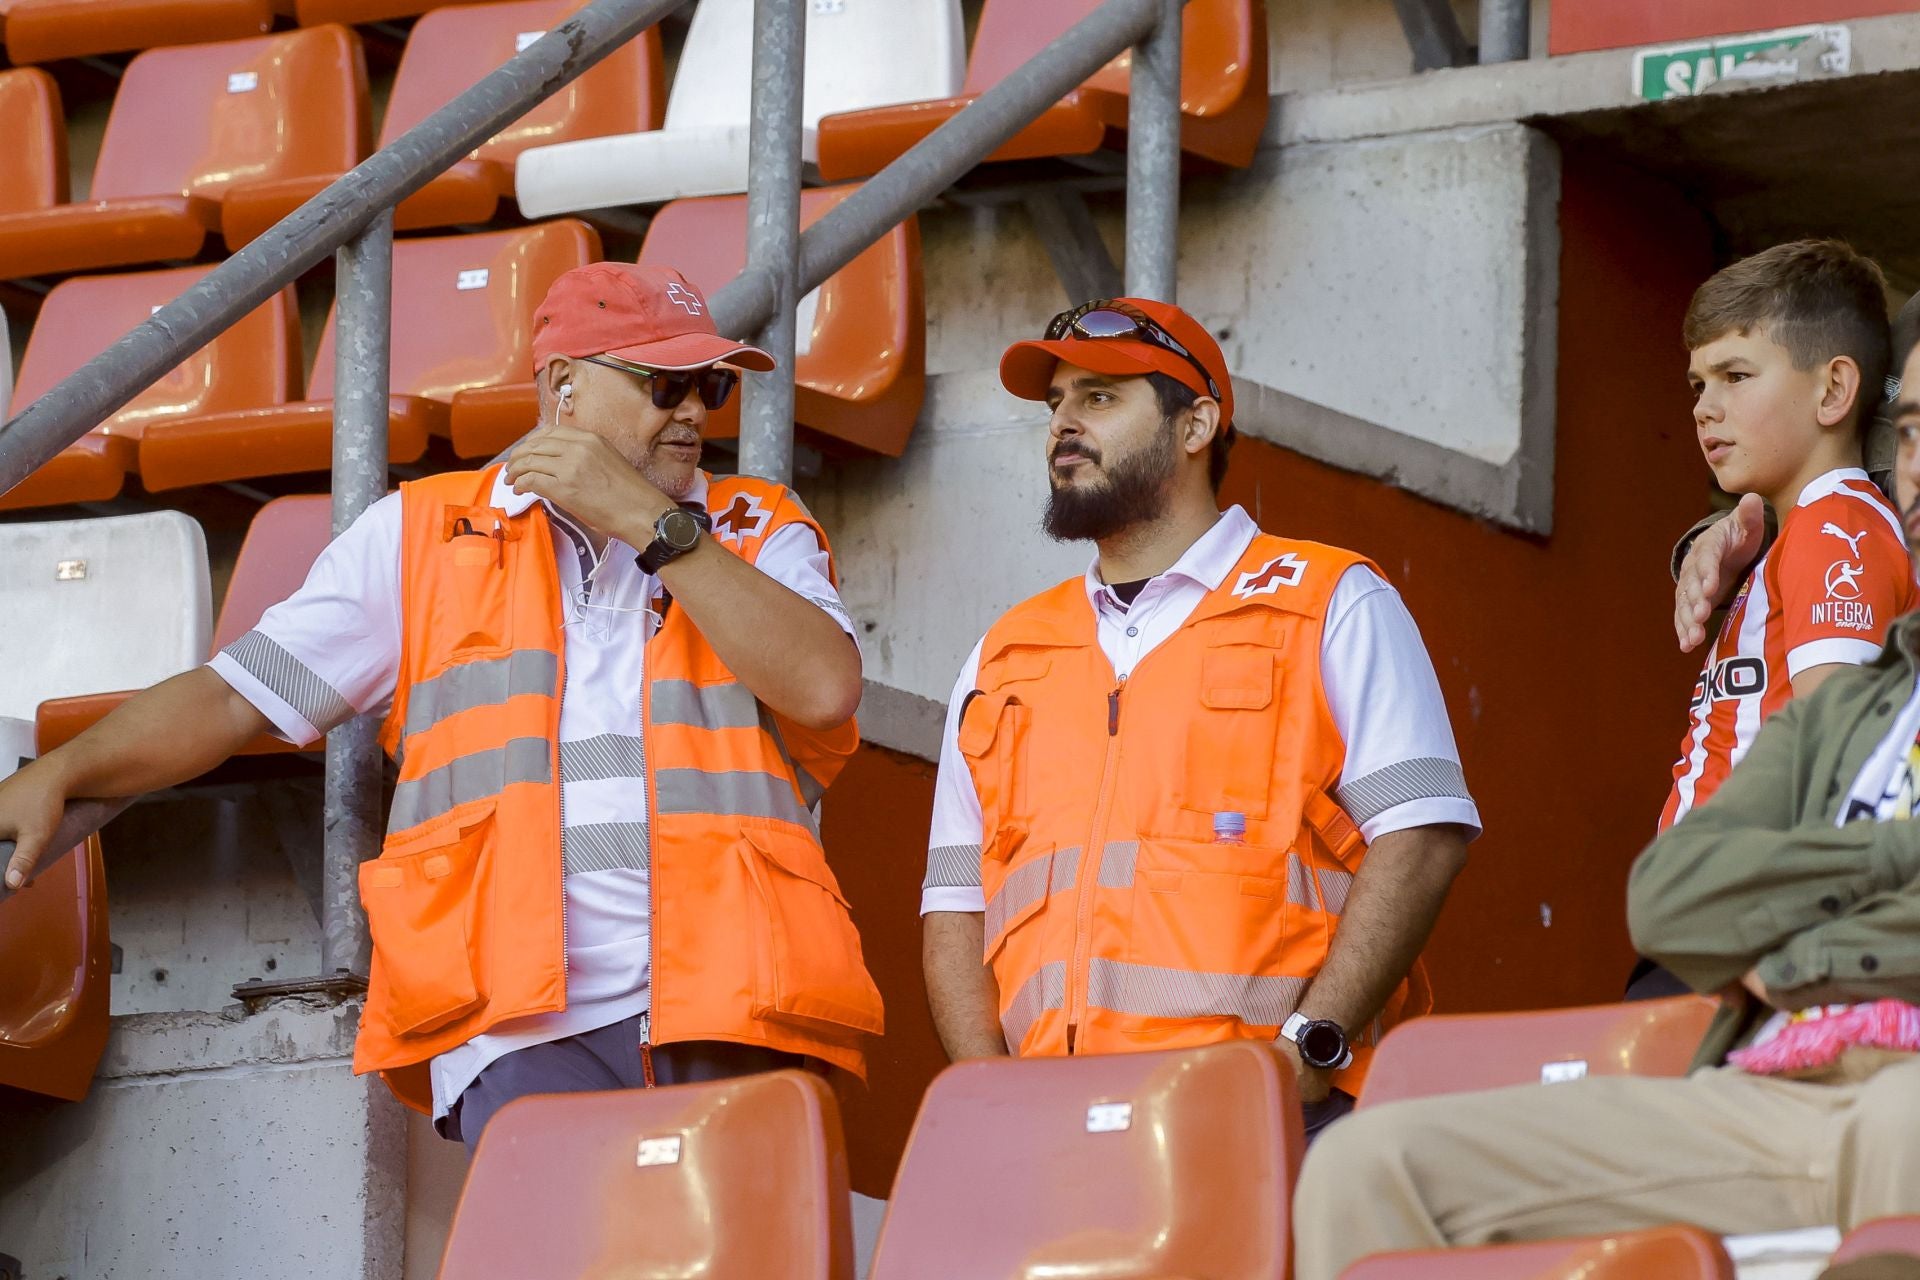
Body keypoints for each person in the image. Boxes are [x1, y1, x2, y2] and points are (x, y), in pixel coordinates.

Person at [0, 262, 884, 1150]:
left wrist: (650, 521)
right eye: (665, 384)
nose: (693, 410)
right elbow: (232, 701)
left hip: (736, 1000)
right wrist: (63, 771)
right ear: (563, 386)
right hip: (519, 1024)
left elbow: (824, 686)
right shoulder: (418, 532)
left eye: (713, 385)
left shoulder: (756, 524)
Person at [1290, 337, 1920, 1280]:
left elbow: (1750, 882)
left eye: (1735, 379)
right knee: (1363, 1165)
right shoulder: (1871, 698)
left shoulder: (1838, 566)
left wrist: (1805, 912)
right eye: (1912, 435)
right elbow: (1671, 898)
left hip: (1901, 1103)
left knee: (1901, 1128)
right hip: (1781, 1089)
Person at [918, 296, 1480, 1137]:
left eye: (1099, 398)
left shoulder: (1330, 600)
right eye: (1057, 402)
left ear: (1196, 426)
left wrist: (1307, 1053)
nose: (1063, 424)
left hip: (1267, 1112)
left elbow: (1424, 834)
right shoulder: (1004, 652)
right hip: (1057, 1131)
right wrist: (991, 1100)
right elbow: (955, 907)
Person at [1657, 240, 1914, 834]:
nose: (1704, 408)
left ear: (1832, 391)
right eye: (1699, 385)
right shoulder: (1808, 528)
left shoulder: (1837, 528)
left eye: (1736, 376)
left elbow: (1845, 756)